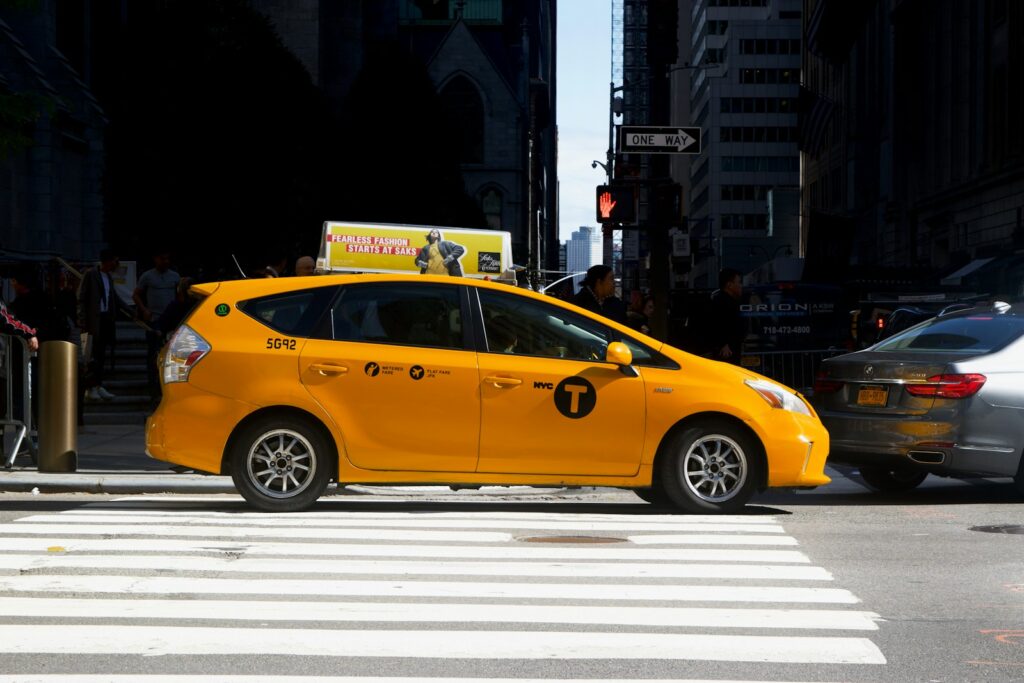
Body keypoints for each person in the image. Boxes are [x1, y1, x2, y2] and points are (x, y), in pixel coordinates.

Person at [78, 249, 129, 401]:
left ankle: (98, 385)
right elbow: (81, 297)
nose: (116, 264)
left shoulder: (108, 276)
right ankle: (90, 387)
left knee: (101, 355)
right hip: (93, 321)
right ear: (108, 261)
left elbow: (113, 297)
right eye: (115, 261)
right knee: (92, 356)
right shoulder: (91, 274)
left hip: (106, 319)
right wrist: (82, 321)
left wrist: (130, 310)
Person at [134, 250, 181, 402]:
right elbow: (136, 294)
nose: (165, 262)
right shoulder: (147, 276)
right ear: (156, 259)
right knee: (153, 354)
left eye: (167, 259)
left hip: (171, 321)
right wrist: (144, 310)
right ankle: (153, 388)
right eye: (162, 259)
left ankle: (167, 387)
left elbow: (179, 296)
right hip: (154, 319)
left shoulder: (175, 276)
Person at [708, 267, 745, 364]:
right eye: (739, 282)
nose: (741, 286)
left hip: (732, 348)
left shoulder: (732, 301)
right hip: (726, 352)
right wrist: (723, 344)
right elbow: (716, 324)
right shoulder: (720, 302)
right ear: (729, 285)